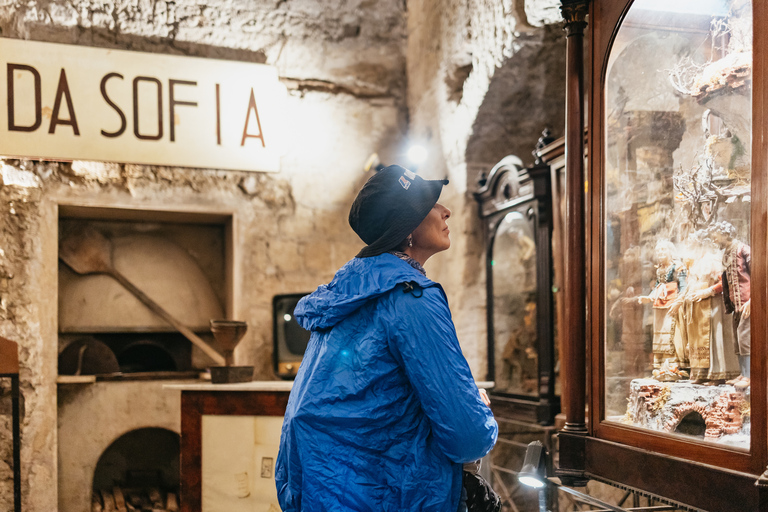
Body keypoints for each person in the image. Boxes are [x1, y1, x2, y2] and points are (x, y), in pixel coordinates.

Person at [275, 165, 499, 512]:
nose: (445, 211)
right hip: (390, 494)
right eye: (430, 204)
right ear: (406, 227)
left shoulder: (347, 296)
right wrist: (478, 408)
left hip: (328, 491)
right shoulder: (410, 298)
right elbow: (467, 437)